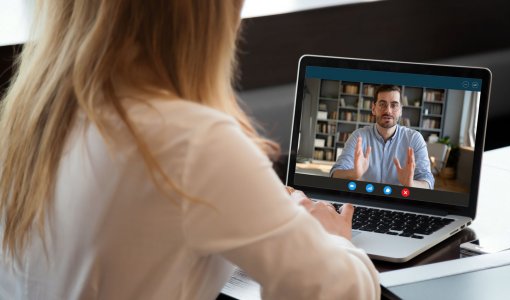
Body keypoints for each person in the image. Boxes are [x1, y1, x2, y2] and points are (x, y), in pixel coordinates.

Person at [0, 1, 380, 299]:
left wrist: (262, 217)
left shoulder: (32, 118)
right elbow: (331, 292)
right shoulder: (192, 141)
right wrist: (330, 239)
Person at [331, 85, 434, 189]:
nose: (388, 111)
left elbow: (427, 182)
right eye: (382, 104)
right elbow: (335, 174)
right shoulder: (358, 136)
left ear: (400, 110)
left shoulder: (414, 139)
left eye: (394, 105)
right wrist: (353, 173)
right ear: (373, 108)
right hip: (364, 200)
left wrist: (410, 184)